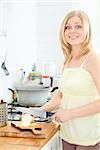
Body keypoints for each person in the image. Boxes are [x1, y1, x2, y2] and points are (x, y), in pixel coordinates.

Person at [38, 10, 100, 150]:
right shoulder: (68, 59)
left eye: (78, 26)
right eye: (68, 27)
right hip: (67, 135)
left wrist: (69, 114)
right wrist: (36, 111)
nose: (72, 31)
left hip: (87, 138)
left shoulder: (93, 58)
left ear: (87, 30)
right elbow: (61, 96)